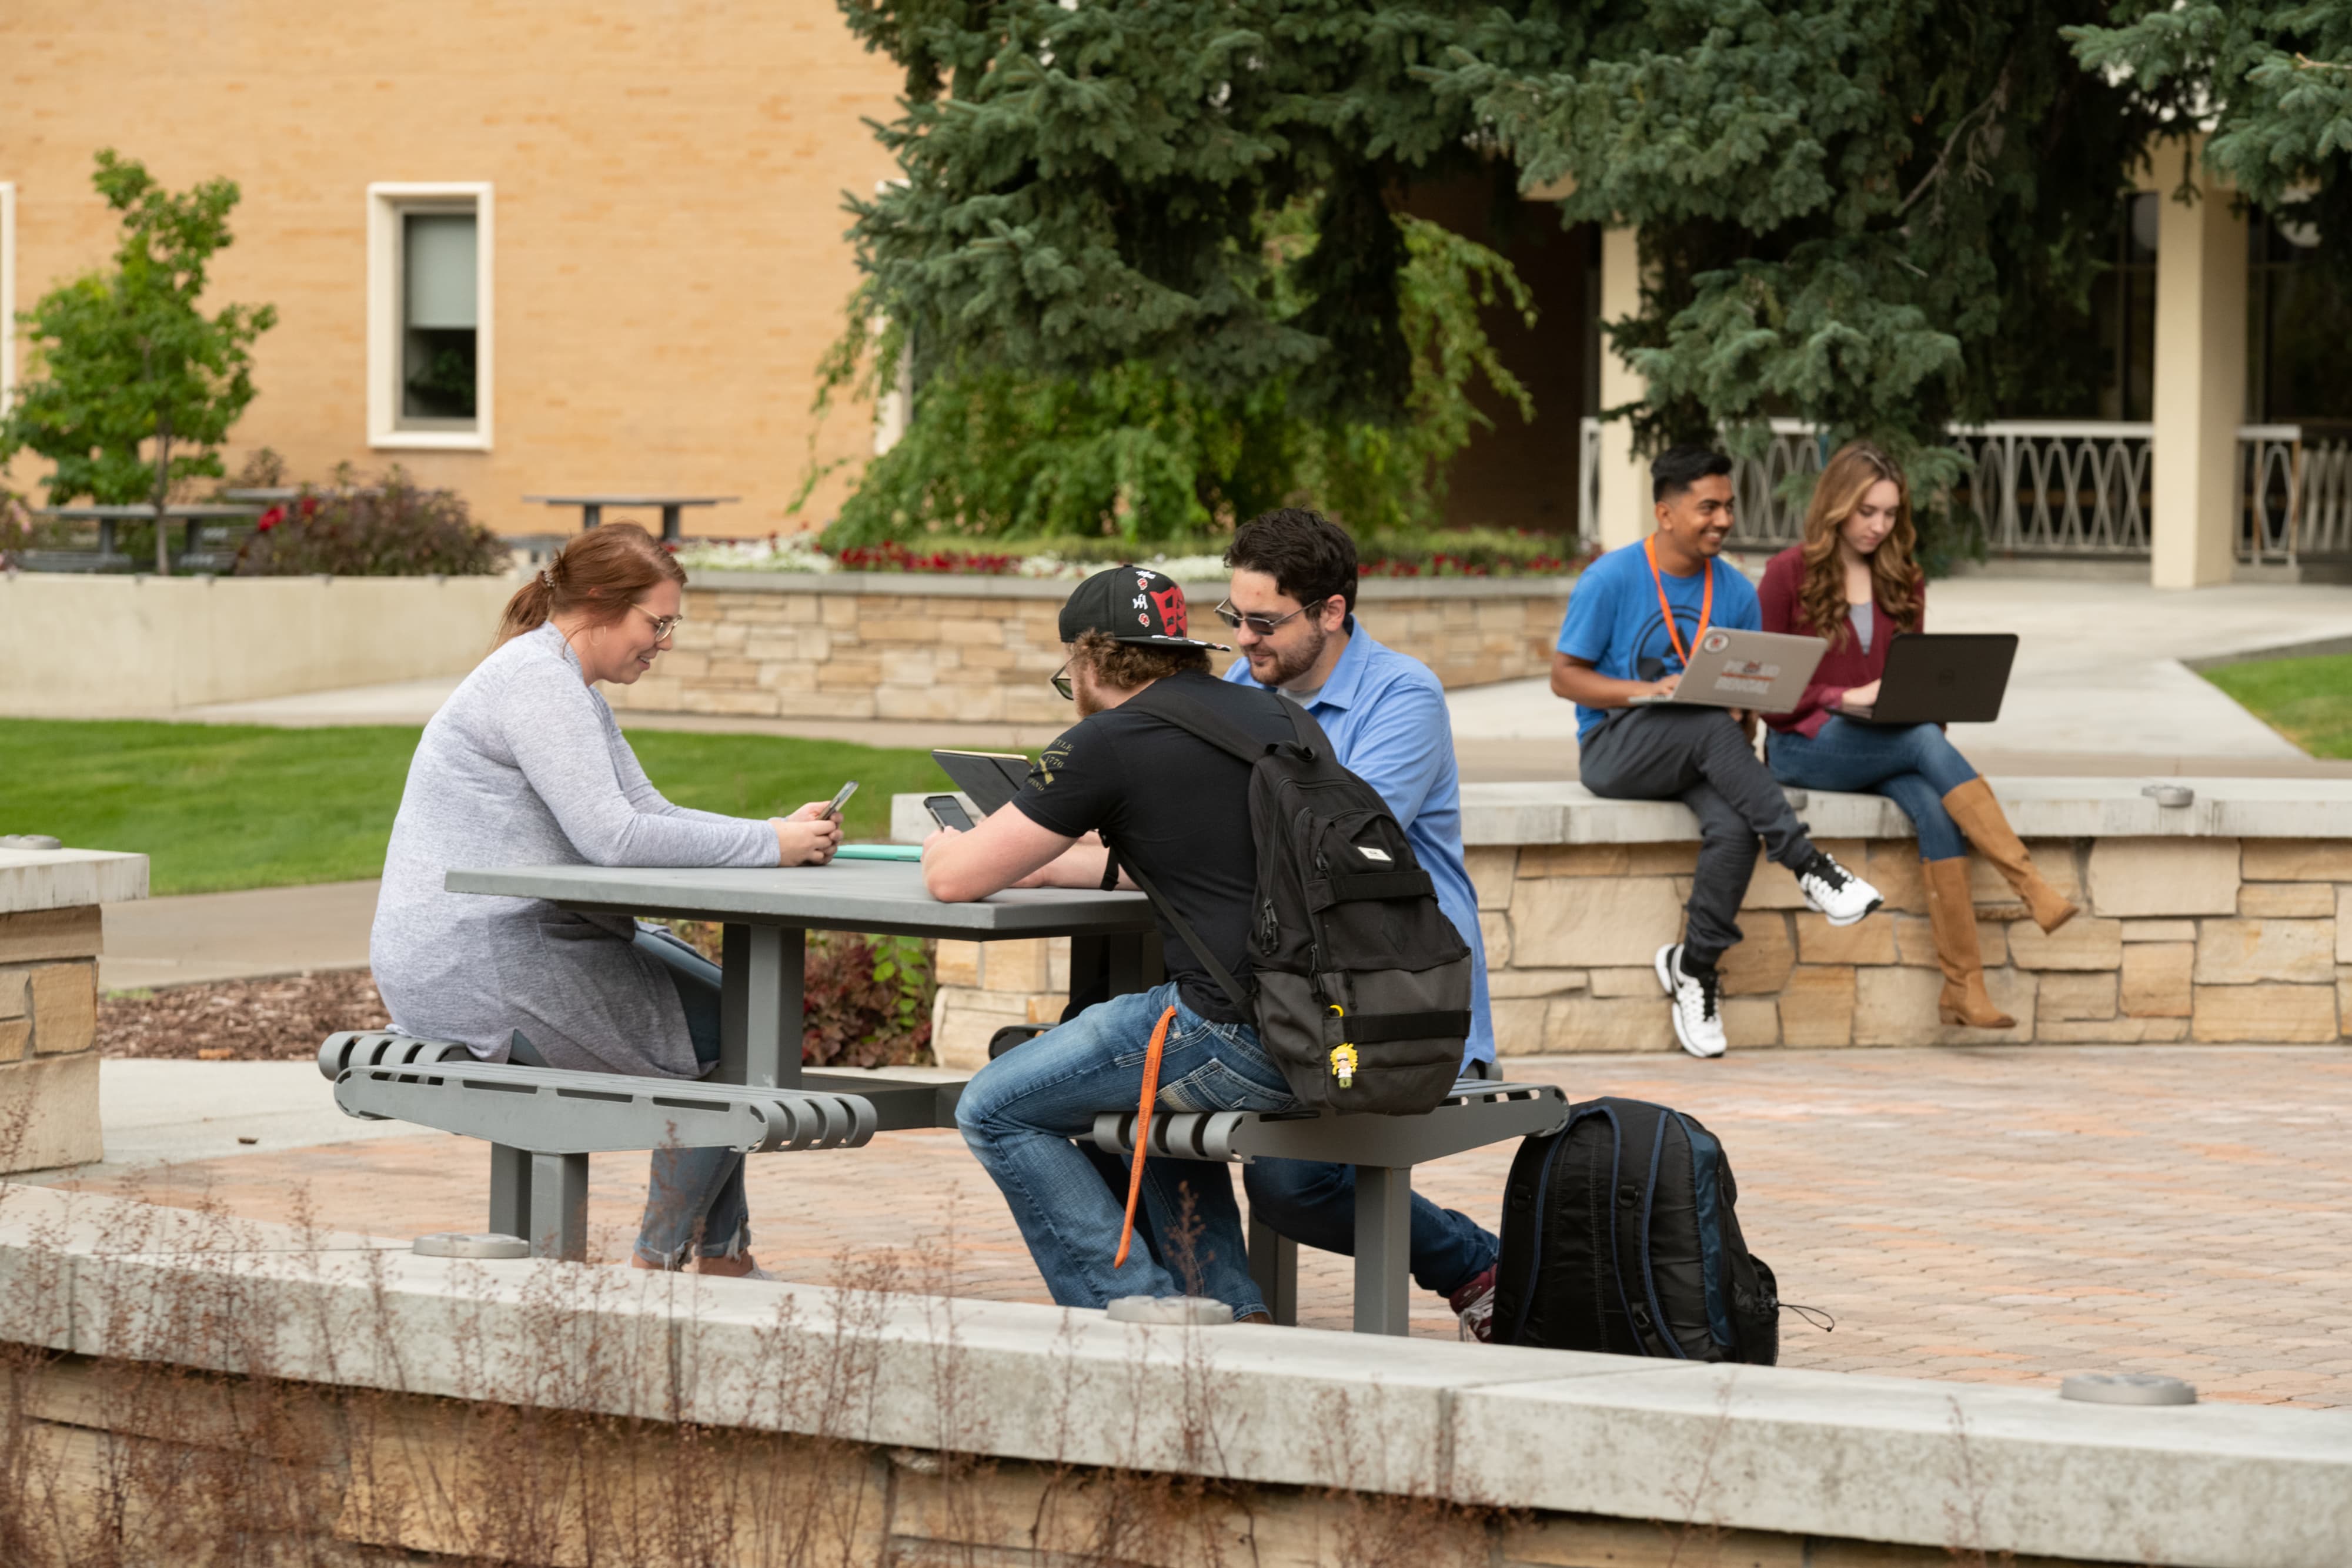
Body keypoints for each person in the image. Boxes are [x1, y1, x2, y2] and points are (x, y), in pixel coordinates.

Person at [369, 524, 844, 1276]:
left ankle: (718, 1257)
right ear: (598, 605)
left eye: (671, 625)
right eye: (656, 623)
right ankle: (661, 1265)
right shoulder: (536, 684)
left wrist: (775, 832)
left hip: (511, 937)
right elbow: (615, 839)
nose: (663, 642)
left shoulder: (561, 681)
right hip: (475, 961)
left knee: (748, 1019)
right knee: (742, 1035)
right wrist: (767, 846)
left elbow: (650, 811)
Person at [927, 566, 1302, 1320]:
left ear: (1090, 661)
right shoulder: (1271, 717)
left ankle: (1136, 1305)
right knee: (1131, 1084)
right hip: (1321, 1029)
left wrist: (947, 852)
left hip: (1230, 1033)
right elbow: (1210, 854)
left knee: (995, 1106)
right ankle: (1229, 1307)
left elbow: (956, 880)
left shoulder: (1108, 738)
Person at [1215, 507, 1503, 1339]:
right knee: (1143, 1106)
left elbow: (1332, 844)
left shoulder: (1402, 695)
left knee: (1291, 1183)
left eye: (1264, 621)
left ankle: (1477, 1260)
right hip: (1296, 992)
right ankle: (1226, 1314)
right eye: (1234, 617)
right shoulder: (1242, 691)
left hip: (1401, 1002)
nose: (1243, 640)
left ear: (1332, 612)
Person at [1553, 445, 1884, 1059]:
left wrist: (1742, 722)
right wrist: (1647, 691)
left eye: (1729, 506)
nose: (1723, 519)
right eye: (1708, 506)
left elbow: (1748, 701)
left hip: (1701, 749)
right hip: (1613, 746)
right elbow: (1564, 676)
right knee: (1707, 722)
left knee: (1735, 825)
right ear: (1666, 512)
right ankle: (1811, 866)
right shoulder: (1611, 577)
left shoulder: (1734, 590)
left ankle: (1695, 967)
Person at [1758, 440, 2079, 1028]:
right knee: (1920, 743)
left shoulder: (1903, 577)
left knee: (1933, 802)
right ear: (1836, 506)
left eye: (1889, 513)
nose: (1879, 526)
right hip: (1802, 742)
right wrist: (1841, 697)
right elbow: (1767, 693)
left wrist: (1928, 702)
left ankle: (1963, 989)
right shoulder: (1787, 574)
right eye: (1866, 512)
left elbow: (1913, 678)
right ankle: (2029, 883)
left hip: (1882, 739)